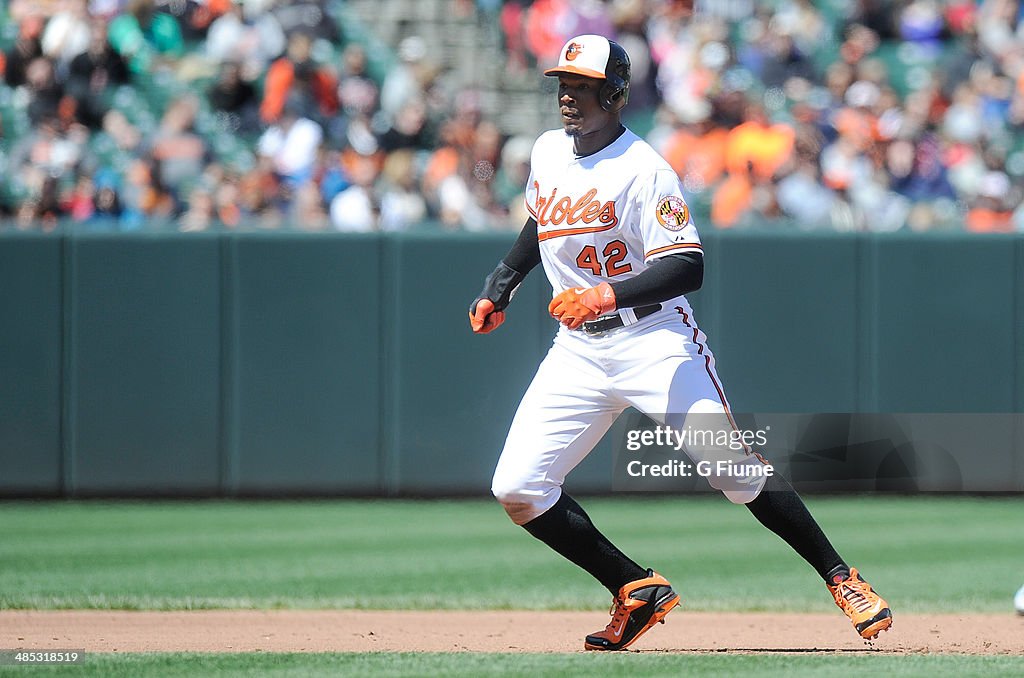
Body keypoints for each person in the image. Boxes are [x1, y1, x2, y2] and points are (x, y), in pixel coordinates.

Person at [468, 34, 893, 651]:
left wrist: (605, 294)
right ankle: (633, 588)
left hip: (653, 339)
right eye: (563, 84)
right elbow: (543, 221)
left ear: (615, 94)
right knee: (517, 489)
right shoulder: (547, 151)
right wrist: (500, 283)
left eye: (581, 87)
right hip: (578, 351)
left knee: (730, 469)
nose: (567, 97)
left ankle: (842, 577)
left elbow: (688, 264)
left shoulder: (645, 169)